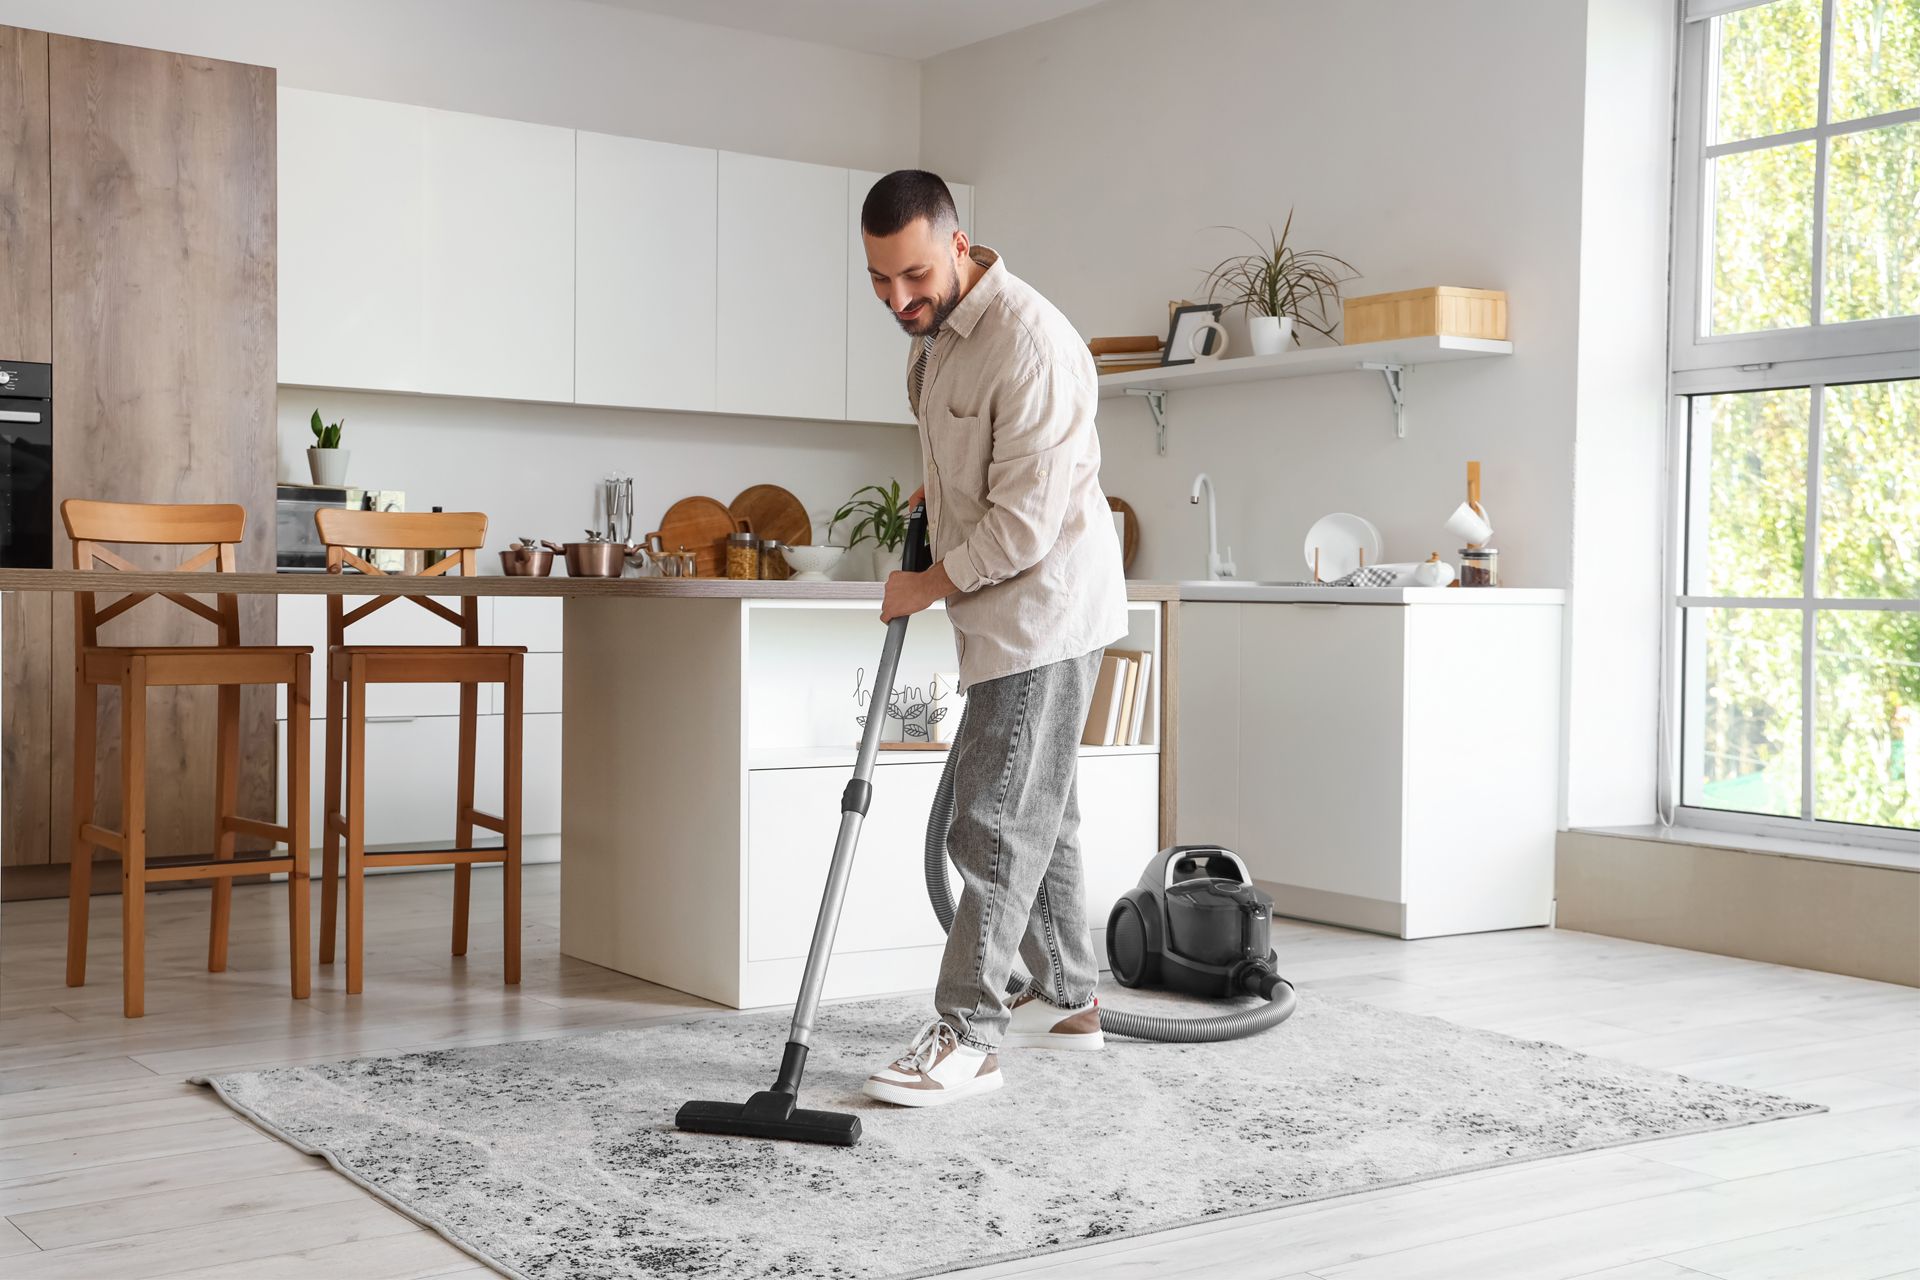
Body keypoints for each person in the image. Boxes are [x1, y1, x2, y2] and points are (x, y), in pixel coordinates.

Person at [856, 170, 1128, 1108]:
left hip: (1045, 608)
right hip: (1004, 609)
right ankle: (1074, 1003)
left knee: (996, 817)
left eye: (916, 275)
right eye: (881, 281)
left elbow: (1023, 529)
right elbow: (969, 455)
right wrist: (937, 491)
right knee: (1042, 813)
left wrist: (924, 586)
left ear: (961, 243)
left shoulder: (1030, 342)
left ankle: (970, 1033)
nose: (900, 299)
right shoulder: (935, 343)